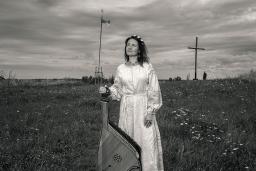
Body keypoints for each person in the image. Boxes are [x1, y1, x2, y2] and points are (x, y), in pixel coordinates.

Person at [99, 35, 164, 171]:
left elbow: (154, 90)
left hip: (143, 109)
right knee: (126, 143)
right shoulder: (121, 68)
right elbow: (117, 90)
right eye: (128, 44)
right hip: (127, 110)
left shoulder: (147, 67)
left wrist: (150, 112)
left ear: (139, 49)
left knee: (146, 142)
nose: (130, 47)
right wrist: (107, 91)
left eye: (133, 45)